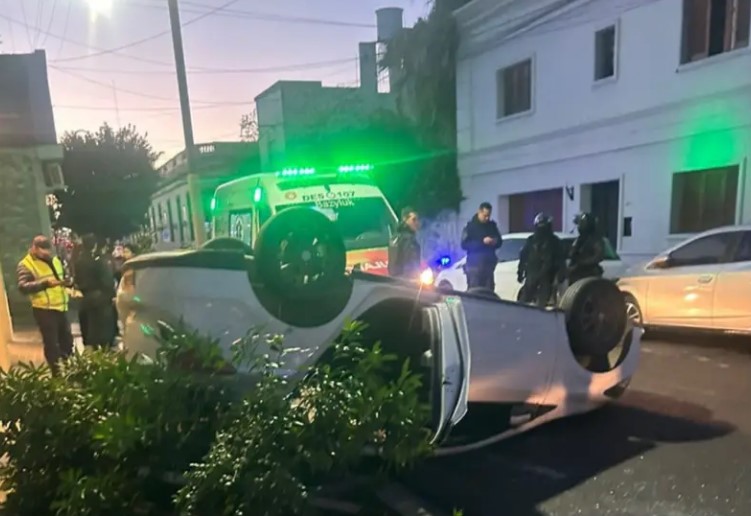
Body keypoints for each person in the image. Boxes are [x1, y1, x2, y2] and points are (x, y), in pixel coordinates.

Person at [17, 235, 74, 373]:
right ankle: (56, 373)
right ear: (34, 248)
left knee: (67, 341)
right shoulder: (26, 264)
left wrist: (68, 283)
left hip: (61, 307)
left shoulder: (55, 260)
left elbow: (61, 277)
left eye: (48, 250)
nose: (46, 253)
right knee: (51, 344)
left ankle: (70, 369)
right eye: (42, 250)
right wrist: (45, 284)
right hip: (44, 309)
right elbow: (23, 287)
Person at [73, 235, 116, 349]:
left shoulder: (79, 261)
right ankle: (104, 349)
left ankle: (91, 347)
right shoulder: (98, 260)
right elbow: (107, 281)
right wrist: (111, 293)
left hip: (85, 298)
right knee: (102, 328)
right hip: (100, 298)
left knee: (89, 327)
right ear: (95, 245)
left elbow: (77, 279)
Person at [517, 213, 565, 307]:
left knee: (542, 303)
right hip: (532, 274)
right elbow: (523, 256)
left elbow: (560, 260)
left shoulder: (554, 242)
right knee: (524, 301)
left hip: (547, 276)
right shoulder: (531, 240)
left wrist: (560, 275)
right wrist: (520, 272)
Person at [461, 202, 502, 290]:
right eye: (485, 216)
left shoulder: (492, 226)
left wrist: (494, 241)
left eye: (489, 216)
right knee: (475, 291)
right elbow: (464, 244)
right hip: (474, 266)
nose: (487, 218)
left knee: (488, 291)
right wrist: (482, 242)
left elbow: (499, 241)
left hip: (488, 266)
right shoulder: (470, 227)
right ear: (479, 212)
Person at [568, 212, 605, 285]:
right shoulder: (578, 239)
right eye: (580, 224)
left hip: (590, 273)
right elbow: (571, 253)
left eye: (582, 223)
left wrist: (582, 263)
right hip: (576, 274)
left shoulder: (596, 240)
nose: (580, 226)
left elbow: (598, 256)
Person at [388, 207, 422, 279]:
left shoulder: (395, 237)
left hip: (395, 280)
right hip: (407, 280)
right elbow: (411, 264)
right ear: (405, 220)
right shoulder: (407, 239)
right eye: (413, 220)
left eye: (417, 219)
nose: (417, 223)